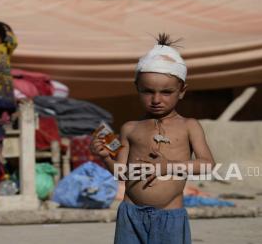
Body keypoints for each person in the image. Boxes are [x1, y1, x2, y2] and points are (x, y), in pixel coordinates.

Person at [91, 33, 215, 244]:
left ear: (182, 91)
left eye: (166, 92)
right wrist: (105, 157)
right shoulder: (130, 128)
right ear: (137, 88)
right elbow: (122, 173)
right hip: (130, 214)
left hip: (169, 217)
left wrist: (167, 167)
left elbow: (207, 165)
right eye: (148, 91)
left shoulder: (189, 126)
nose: (156, 99)